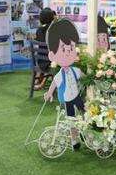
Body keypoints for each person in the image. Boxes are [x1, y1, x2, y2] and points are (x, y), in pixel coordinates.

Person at [44, 18, 84, 149]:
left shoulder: (75, 70)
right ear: (52, 55)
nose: (68, 53)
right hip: (67, 99)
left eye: (71, 49)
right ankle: (74, 140)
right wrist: (49, 93)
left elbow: (84, 76)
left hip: (77, 96)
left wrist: (91, 78)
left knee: (84, 112)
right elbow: (54, 84)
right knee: (71, 119)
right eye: (63, 50)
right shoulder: (59, 75)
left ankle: (84, 131)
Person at [33, 8, 55, 91]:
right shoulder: (53, 30)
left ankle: (37, 79)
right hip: (49, 61)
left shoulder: (38, 30)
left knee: (47, 57)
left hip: (40, 60)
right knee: (53, 60)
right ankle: (42, 83)